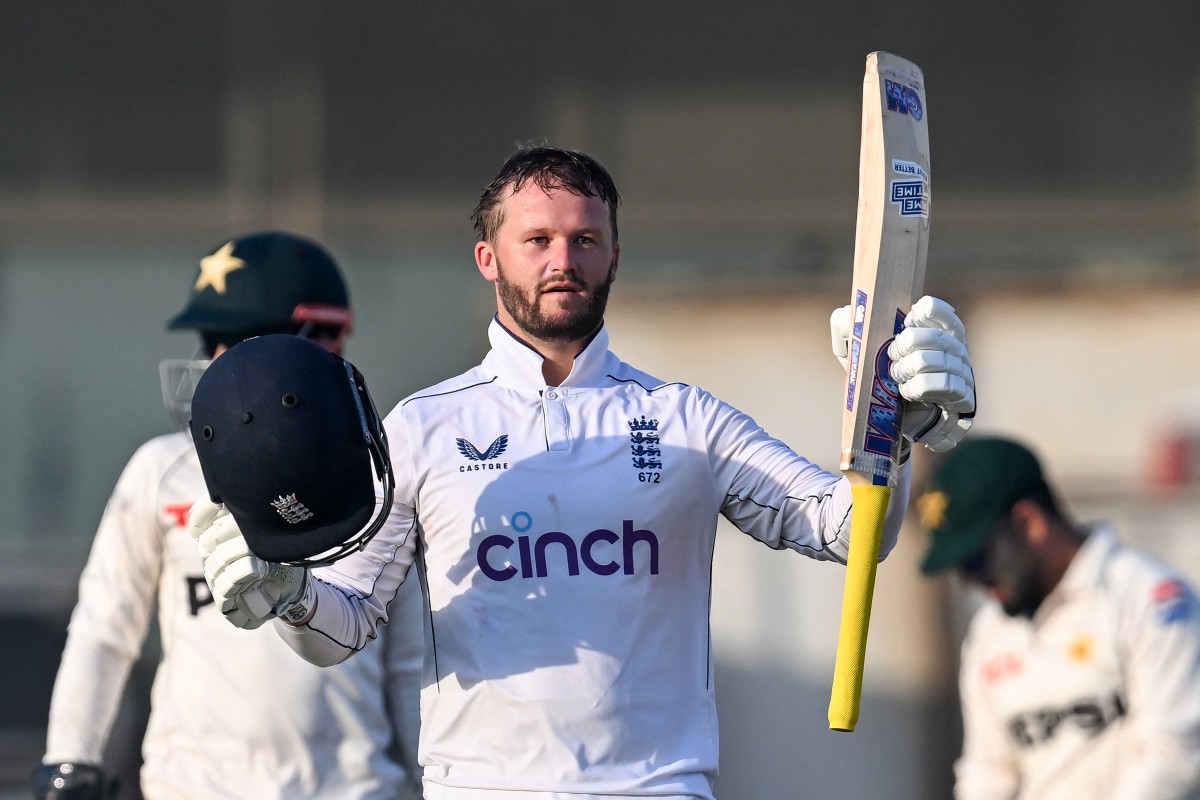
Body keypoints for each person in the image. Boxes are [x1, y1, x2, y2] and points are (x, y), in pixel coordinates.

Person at [190, 146, 977, 799]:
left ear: (614, 257)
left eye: (584, 240)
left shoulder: (686, 420)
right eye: (537, 241)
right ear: (488, 258)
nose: (563, 262)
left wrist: (893, 429)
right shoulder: (425, 426)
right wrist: (287, 596)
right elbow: (346, 627)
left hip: (656, 787)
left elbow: (848, 532)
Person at [37, 232, 424, 800]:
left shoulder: (380, 481)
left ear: (321, 343)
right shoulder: (161, 472)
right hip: (191, 787)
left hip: (351, 788)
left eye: (238, 342)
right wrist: (71, 759)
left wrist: (434, 778)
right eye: (211, 341)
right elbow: (103, 628)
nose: (214, 362)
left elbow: (412, 661)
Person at [916, 436, 1200, 799]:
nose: (970, 580)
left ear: (1029, 521)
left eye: (976, 559)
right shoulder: (989, 631)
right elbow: (988, 771)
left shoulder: (1149, 598)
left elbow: (1175, 752)